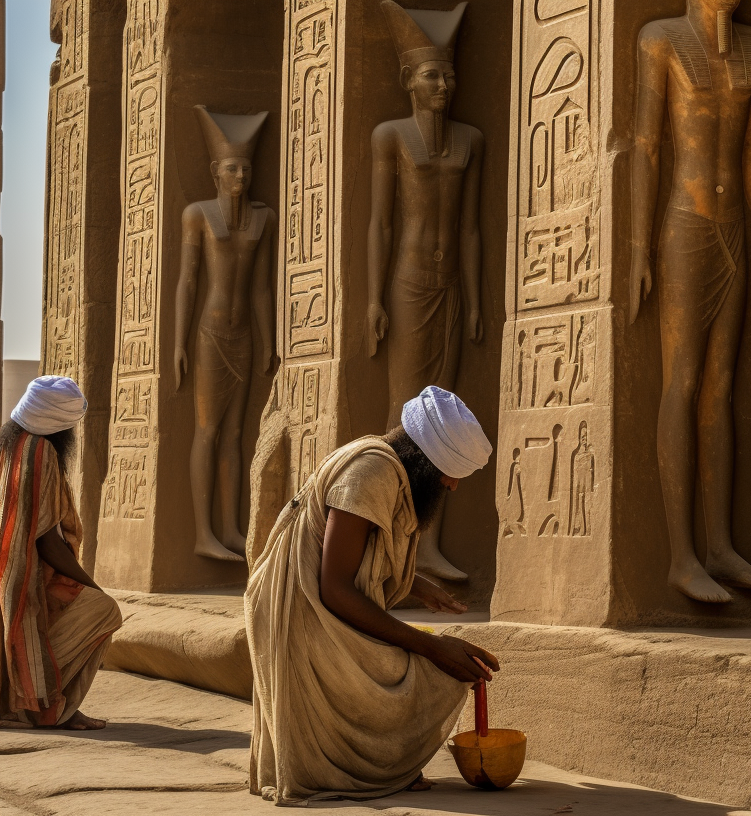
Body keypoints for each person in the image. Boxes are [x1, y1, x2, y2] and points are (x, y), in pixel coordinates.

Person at [246, 386, 500, 805]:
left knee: (422, 660)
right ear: (424, 460)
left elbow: (359, 552)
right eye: (449, 474)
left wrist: (417, 586)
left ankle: (372, 767)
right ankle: (362, 770)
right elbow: (335, 589)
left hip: (315, 600)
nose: (452, 487)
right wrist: (433, 647)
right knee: (421, 668)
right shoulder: (371, 473)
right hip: (301, 610)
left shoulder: (385, 466)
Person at [629, 0, 751, 603]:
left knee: (721, 389)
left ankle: (720, 545)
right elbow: (646, 148)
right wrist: (640, 248)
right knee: (684, 382)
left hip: (731, 233)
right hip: (685, 227)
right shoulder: (661, 40)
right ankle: (681, 556)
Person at [0, 376, 122, 730]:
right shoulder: (39, 452)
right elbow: (45, 539)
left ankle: (25, 704)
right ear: (60, 426)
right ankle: (52, 708)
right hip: (8, 571)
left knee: (2, 651)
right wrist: (93, 586)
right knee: (103, 611)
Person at [366, 0, 485, 582]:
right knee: (404, 413)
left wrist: (479, 300)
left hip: (450, 286)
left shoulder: (469, 141)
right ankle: (389, 532)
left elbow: (470, 228)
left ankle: (426, 542)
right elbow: (381, 225)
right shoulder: (390, 136)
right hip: (408, 283)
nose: (444, 84)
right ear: (408, 80)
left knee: (446, 419)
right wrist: (372, 298)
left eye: (449, 74)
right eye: (432, 74)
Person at [173, 105, 276, 563]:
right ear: (216, 170)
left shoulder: (262, 219)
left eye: (247, 168)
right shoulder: (197, 214)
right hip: (210, 334)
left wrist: (270, 341)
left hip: (243, 336)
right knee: (208, 430)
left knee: (235, 432)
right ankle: (202, 532)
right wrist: (178, 343)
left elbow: (261, 288)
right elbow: (188, 283)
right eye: (233, 168)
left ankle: (232, 528)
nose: (241, 176)